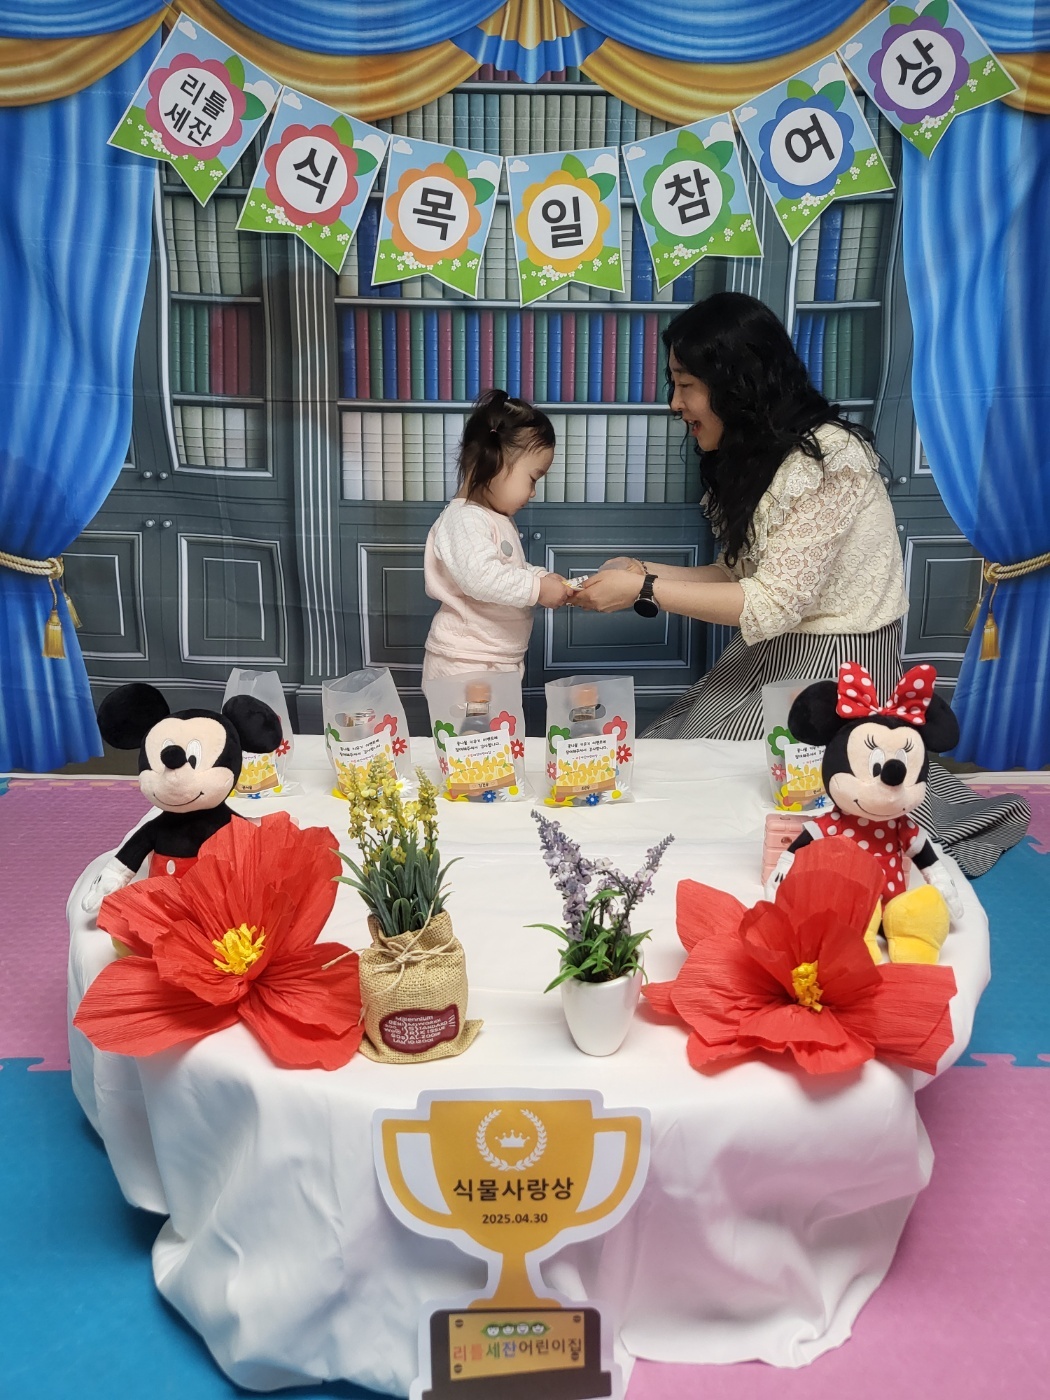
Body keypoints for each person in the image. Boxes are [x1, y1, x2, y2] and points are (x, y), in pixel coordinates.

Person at [573, 291, 1028, 878]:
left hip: (839, 662)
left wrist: (643, 590)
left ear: (735, 382)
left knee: (762, 795)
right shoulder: (752, 456)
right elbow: (739, 577)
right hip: (774, 651)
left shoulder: (829, 460)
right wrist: (641, 572)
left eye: (685, 385)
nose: (674, 404)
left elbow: (768, 603)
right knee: (678, 758)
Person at [422, 390, 573, 682]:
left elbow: (506, 569)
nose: (533, 493)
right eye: (533, 479)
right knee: (474, 717)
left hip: (495, 657)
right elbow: (481, 577)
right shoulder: (465, 519)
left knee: (501, 716)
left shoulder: (494, 518)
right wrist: (537, 589)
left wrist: (542, 578)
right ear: (492, 461)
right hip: (465, 660)